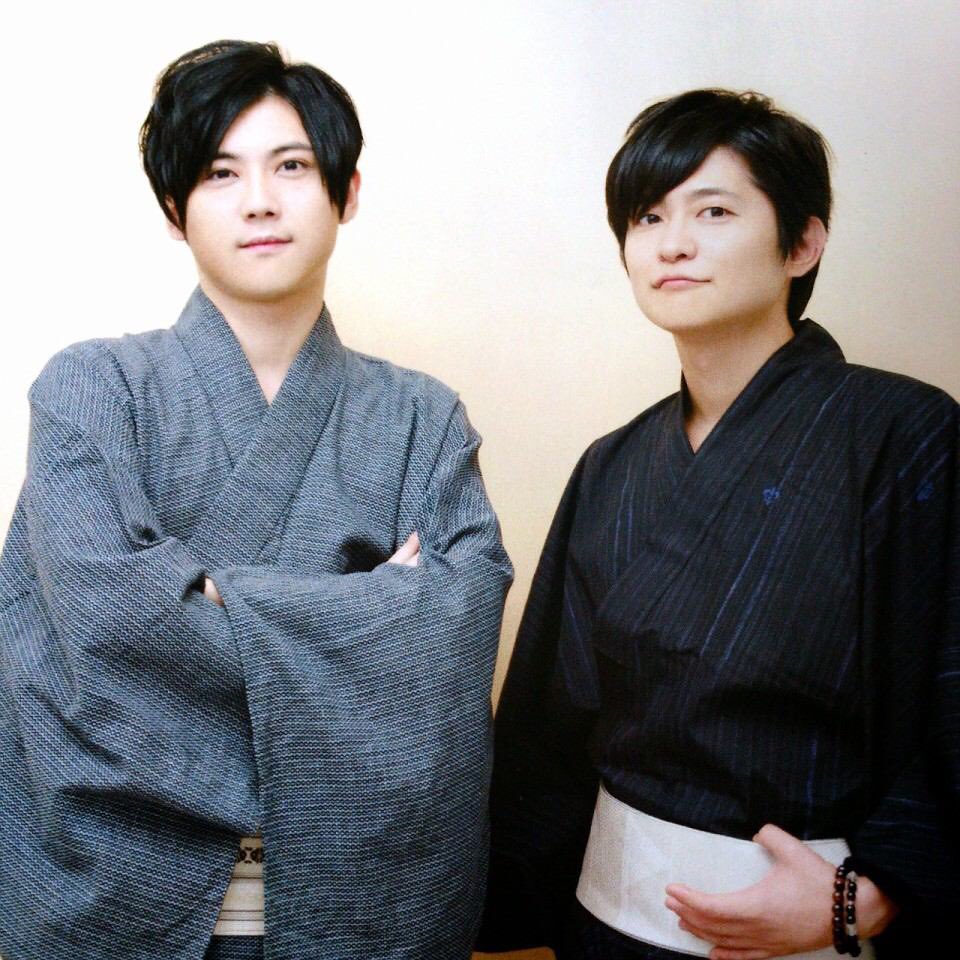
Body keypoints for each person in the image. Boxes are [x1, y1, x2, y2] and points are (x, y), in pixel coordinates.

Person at [0, 40, 512, 960]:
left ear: (347, 193)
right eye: (219, 173)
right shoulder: (91, 389)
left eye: (293, 167)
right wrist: (370, 611)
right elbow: (112, 624)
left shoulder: (423, 418)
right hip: (118, 891)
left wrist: (211, 597)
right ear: (174, 210)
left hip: (360, 897)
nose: (260, 201)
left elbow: (455, 635)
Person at [476, 89, 958, 959]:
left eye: (714, 211)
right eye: (648, 216)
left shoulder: (908, 435)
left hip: (814, 927)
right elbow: (547, 730)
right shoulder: (612, 465)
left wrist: (868, 898)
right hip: (607, 924)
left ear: (802, 243)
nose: (672, 244)